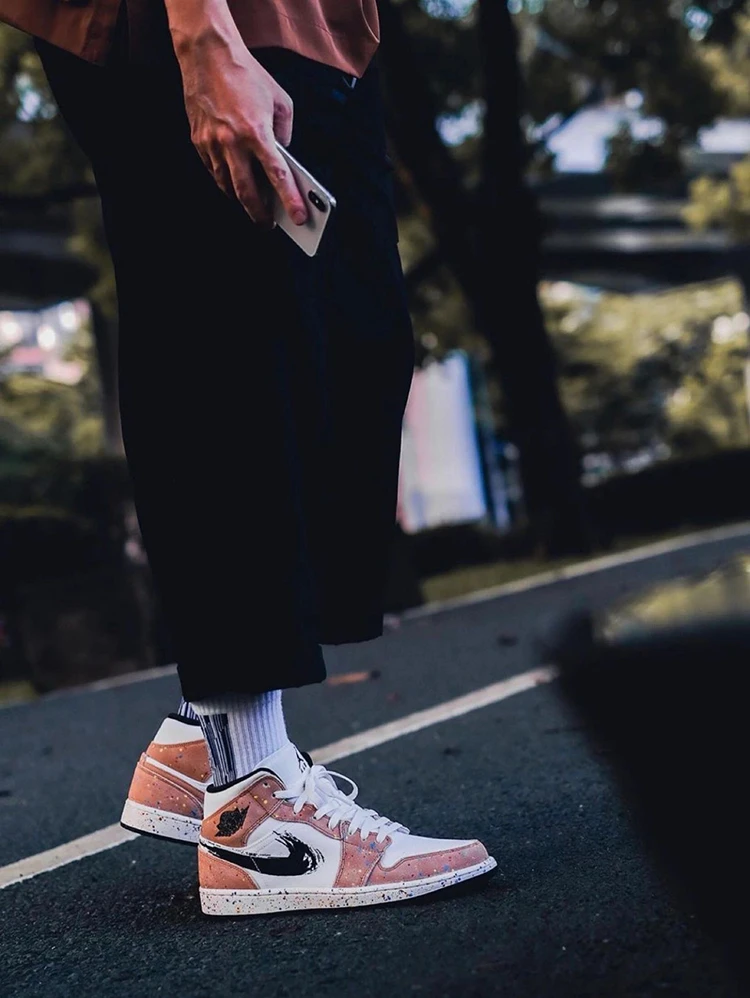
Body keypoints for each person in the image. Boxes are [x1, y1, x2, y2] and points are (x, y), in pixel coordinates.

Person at [0, 0, 494, 915]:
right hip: (190, 20)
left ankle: (203, 738)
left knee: (358, 333)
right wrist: (201, 35)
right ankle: (254, 808)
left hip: (316, 21)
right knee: (228, 336)